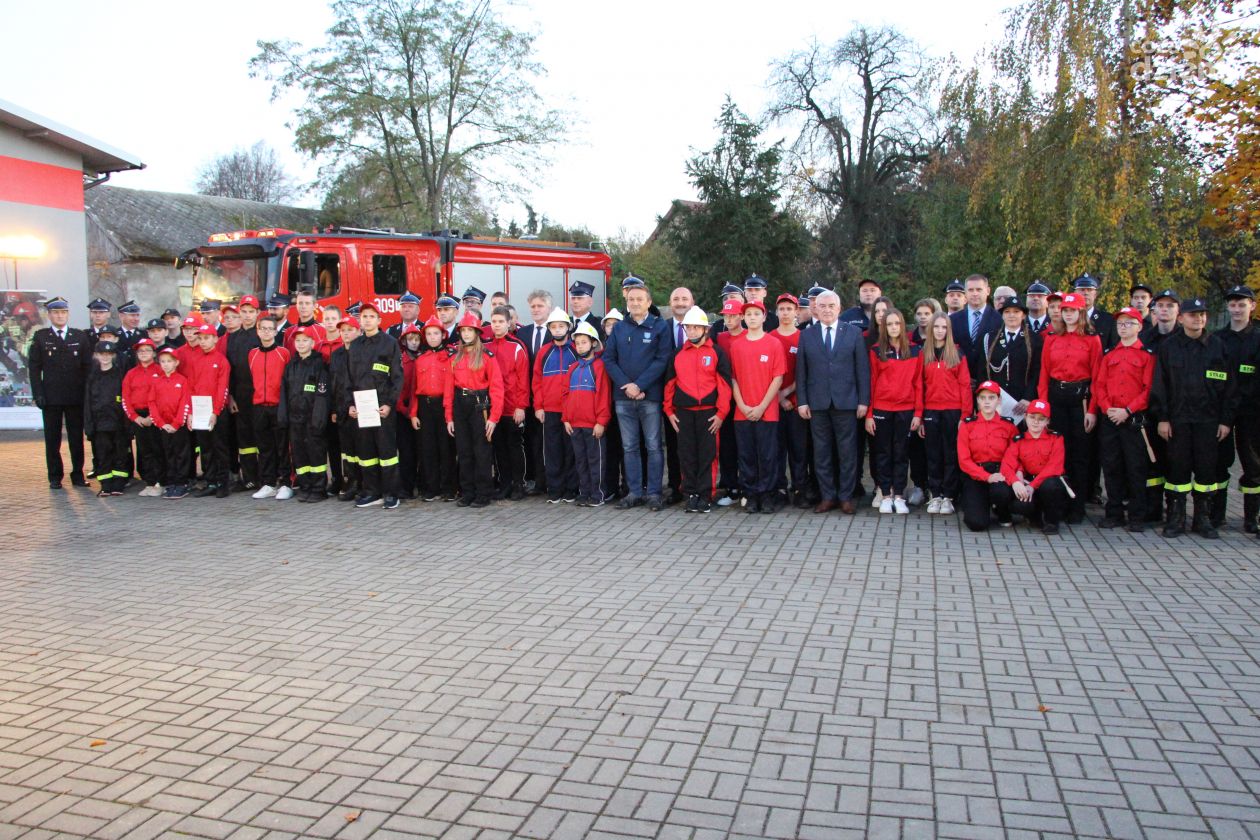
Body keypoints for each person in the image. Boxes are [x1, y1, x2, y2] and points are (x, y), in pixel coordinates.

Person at [1150, 297, 1234, 539]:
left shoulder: (1218, 346)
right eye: (1193, 314)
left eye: (1202, 314)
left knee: (1206, 471)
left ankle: (1202, 519)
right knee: (1177, 470)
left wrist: (1226, 420)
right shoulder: (1169, 347)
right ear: (1181, 318)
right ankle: (1176, 518)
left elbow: (1230, 387)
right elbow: (1160, 385)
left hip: (1209, 421)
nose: (1198, 318)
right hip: (1178, 420)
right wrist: (1163, 418)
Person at [796, 290, 869, 514]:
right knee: (821, 453)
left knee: (847, 453)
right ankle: (827, 496)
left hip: (846, 402)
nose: (827, 310)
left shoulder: (854, 333)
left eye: (831, 306)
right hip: (817, 404)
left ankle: (846, 497)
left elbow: (862, 370)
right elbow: (801, 371)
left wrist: (863, 401)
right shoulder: (807, 335)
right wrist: (802, 401)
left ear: (839, 309)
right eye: (822, 306)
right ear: (815, 309)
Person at [603, 276, 671, 511]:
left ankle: (654, 493)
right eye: (631, 299)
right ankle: (634, 492)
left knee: (653, 446)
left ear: (648, 302)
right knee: (629, 447)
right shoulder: (619, 328)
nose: (634, 303)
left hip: (649, 397)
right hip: (623, 398)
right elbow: (609, 359)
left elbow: (662, 360)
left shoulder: (660, 326)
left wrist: (640, 386)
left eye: (639, 299)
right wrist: (627, 385)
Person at [1089, 307, 1155, 531]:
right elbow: (1099, 385)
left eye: (1129, 323)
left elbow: (1148, 389)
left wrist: (1127, 410)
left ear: (1140, 327)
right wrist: (1108, 409)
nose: (1123, 328)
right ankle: (1114, 513)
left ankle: (1137, 516)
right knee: (1111, 467)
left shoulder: (1146, 355)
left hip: (1133, 419)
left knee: (1135, 468)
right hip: (1110, 418)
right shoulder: (1109, 354)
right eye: (1120, 324)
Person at [1038, 292, 1101, 523]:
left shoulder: (1092, 340)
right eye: (1065, 310)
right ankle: (1059, 504)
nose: (1068, 314)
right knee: (1058, 453)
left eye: (1072, 310)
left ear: (1081, 312)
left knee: (1079, 455)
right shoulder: (1052, 338)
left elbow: (1097, 378)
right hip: (1057, 397)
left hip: (1080, 399)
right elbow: (1044, 374)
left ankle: (1077, 507)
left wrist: (1092, 410)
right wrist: (1044, 405)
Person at [665, 306, 731, 513]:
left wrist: (721, 414)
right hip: (683, 413)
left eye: (696, 327)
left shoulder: (717, 352)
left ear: (705, 329)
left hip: (709, 414)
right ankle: (691, 494)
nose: (692, 331)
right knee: (686, 455)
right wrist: (669, 412)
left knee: (708, 456)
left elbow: (725, 386)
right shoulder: (677, 354)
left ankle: (706, 495)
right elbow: (669, 384)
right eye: (688, 327)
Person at [730, 300, 786, 513]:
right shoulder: (737, 346)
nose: (752, 317)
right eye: (748, 314)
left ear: (764, 317)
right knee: (747, 456)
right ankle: (751, 494)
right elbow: (733, 378)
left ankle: (767, 495)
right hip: (742, 412)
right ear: (743, 318)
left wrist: (762, 406)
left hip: (767, 412)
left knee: (768, 455)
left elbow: (778, 378)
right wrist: (742, 405)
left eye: (756, 313)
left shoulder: (774, 344)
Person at [28, 296, 91, 489]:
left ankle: (78, 474)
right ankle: (55, 476)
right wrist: (38, 393)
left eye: (63, 312)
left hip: (75, 396)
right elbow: (34, 369)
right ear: (49, 315)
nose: (60, 316)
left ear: (68, 314)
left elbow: (87, 368)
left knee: (76, 438)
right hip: (51, 397)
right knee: (52, 439)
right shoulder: (41, 337)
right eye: (56, 312)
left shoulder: (79, 336)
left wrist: (87, 395)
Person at [346, 302, 404, 509]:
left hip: (382, 408)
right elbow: (349, 378)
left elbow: (397, 377)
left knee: (387, 453)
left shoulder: (390, 343)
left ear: (379, 320)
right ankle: (372, 492)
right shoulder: (355, 345)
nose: (368, 320)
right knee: (366, 452)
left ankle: (391, 494)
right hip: (362, 408)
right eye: (364, 317)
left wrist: (389, 404)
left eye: (372, 316)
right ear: (360, 321)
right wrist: (350, 404)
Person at [866, 309, 922, 514]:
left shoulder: (915, 350)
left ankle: (899, 495)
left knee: (901, 453)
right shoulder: (876, 351)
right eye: (889, 324)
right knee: (883, 453)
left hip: (906, 409)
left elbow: (918, 383)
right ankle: (885, 495)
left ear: (902, 325)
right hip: (881, 408)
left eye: (897, 323)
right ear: (884, 327)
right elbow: (871, 383)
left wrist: (918, 413)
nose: (893, 327)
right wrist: (869, 414)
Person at [445, 312, 504, 508]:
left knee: (481, 452)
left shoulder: (487, 357)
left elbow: (497, 388)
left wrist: (493, 418)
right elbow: (448, 388)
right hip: (460, 406)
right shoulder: (454, 356)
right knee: (464, 451)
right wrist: (449, 417)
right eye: (463, 330)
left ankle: (483, 493)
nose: (466, 334)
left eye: (470, 330)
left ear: (477, 332)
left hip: (480, 406)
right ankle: (467, 492)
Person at [1215, 285, 1260, 533]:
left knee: (1253, 464)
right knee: (1219, 462)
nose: (1236, 309)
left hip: (1250, 411)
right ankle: (1217, 514)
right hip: (1221, 411)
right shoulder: (1218, 339)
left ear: (1252, 306)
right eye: (1232, 305)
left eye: (1242, 304)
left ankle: (1252, 517)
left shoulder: (1258, 338)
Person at [921, 313, 971, 514]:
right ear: (931, 329)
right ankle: (935, 494)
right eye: (936, 327)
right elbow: (919, 386)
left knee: (950, 454)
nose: (940, 331)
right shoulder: (924, 353)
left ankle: (948, 496)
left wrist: (965, 415)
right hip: (931, 410)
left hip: (953, 410)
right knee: (933, 454)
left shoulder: (957, 354)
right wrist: (920, 414)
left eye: (944, 327)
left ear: (949, 330)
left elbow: (965, 385)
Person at [998, 399, 1069, 534]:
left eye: (1041, 419)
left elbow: (1054, 467)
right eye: (1032, 417)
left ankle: (1052, 522)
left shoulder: (1056, 438)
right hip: (1028, 481)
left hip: (1048, 481)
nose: (1036, 422)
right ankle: (1034, 515)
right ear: (1025, 417)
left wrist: (1032, 486)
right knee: (1019, 505)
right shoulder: (1018, 440)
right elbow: (1006, 465)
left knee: (1050, 486)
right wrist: (1015, 482)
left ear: (1047, 421)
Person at [562, 321, 612, 506]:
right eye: (577, 343)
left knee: (595, 460)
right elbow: (565, 394)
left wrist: (601, 422)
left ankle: (598, 494)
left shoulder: (599, 367)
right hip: (575, 424)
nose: (580, 346)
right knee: (580, 460)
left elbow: (604, 396)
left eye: (584, 342)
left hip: (593, 425)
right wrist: (566, 419)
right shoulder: (573, 368)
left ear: (593, 343)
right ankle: (584, 493)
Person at [533, 306, 580, 503]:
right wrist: (538, 406)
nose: (558, 330)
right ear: (549, 329)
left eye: (561, 326)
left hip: (572, 411)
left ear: (568, 328)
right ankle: (555, 488)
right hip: (550, 409)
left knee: (571, 450)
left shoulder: (576, 350)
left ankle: (571, 488)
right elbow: (536, 381)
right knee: (552, 450)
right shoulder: (544, 352)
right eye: (554, 326)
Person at [957, 381, 1018, 530]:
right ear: (977, 400)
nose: (987, 402)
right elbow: (964, 460)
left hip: (1000, 474)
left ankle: (1002, 511)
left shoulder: (1009, 426)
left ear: (999, 400)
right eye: (982, 398)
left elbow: (1015, 456)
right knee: (976, 524)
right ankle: (982, 506)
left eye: (991, 398)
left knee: (1001, 493)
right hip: (976, 476)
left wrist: (1005, 475)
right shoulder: (967, 425)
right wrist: (986, 477)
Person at [279, 326, 330, 502]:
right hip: (295, 419)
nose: (301, 344)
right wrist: (283, 416)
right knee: (299, 455)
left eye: (305, 340)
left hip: (312, 419)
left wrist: (318, 419)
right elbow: (284, 392)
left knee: (315, 454)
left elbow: (322, 395)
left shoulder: (319, 364)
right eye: (298, 340)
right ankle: (305, 486)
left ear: (312, 343)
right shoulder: (291, 366)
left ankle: (318, 489)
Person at [248, 315, 294, 501]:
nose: (266, 332)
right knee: (264, 447)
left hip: (279, 406)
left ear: (276, 332)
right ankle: (268, 483)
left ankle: (286, 483)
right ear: (258, 331)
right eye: (263, 328)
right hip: (259, 406)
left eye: (270, 329)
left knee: (282, 447)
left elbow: (289, 381)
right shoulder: (252, 354)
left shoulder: (284, 353)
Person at [488, 306, 529, 500]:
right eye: (494, 321)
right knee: (499, 448)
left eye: (501, 322)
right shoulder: (486, 346)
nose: (497, 325)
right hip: (494, 409)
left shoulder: (517, 346)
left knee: (514, 447)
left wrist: (521, 406)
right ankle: (504, 484)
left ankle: (519, 484)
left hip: (513, 407)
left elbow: (523, 379)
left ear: (508, 323)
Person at [772, 293, 809, 508]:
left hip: (796, 404)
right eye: (782, 309)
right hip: (773, 404)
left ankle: (800, 489)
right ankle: (779, 489)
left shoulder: (804, 338)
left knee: (799, 450)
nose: (785, 313)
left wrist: (787, 394)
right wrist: (778, 397)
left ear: (796, 312)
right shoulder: (769, 337)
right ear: (776, 312)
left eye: (789, 309)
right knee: (777, 450)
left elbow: (805, 372)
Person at [187, 325, 232, 498]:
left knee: (219, 447)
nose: (203, 342)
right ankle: (210, 481)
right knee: (205, 447)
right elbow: (191, 386)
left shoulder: (221, 361)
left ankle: (223, 483)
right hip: (200, 409)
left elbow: (222, 388)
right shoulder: (195, 360)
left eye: (206, 338)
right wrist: (191, 411)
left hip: (216, 411)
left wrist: (216, 411)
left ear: (215, 339)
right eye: (200, 338)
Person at [979, 296, 1042, 415]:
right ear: (1002, 315)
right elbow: (982, 371)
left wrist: (1028, 397)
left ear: (1023, 315)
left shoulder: (1034, 340)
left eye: (1016, 312)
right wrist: (986, 397)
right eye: (1007, 312)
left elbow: (1037, 372)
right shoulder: (989, 338)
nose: (1011, 315)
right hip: (995, 400)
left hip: (1022, 403)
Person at [517, 290, 553, 495]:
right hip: (528, 397)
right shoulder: (523, 333)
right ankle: (537, 481)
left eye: (540, 306)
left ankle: (552, 480)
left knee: (550, 441)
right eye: (533, 306)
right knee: (533, 440)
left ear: (549, 308)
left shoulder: (556, 331)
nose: (536, 309)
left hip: (550, 396)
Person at [83, 340, 129, 496]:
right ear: (96, 355)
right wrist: (89, 425)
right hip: (100, 425)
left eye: (109, 354)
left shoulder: (120, 375)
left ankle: (119, 484)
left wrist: (127, 424)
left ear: (113, 356)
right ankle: (106, 485)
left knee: (120, 454)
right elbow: (88, 403)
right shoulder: (92, 377)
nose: (105, 357)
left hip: (118, 423)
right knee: (103, 455)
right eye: (102, 354)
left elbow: (126, 400)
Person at [714, 298, 746, 506]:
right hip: (725, 397)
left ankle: (747, 486)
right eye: (726, 315)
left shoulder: (749, 335)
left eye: (733, 315)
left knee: (745, 444)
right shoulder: (720, 337)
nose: (729, 319)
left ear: (741, 316)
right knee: (727, 444)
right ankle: (730, 487)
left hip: (746, 397)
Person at [123, 339, 164, 496]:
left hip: (157, 416)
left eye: (147, 350)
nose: (144, 353)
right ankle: (149, 482)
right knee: (144, 450)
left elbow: (165, 395)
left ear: (154, 353)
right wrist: (135, 417)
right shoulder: (131, 373)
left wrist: (153, 417)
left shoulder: (160, 371)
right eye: (140, 351)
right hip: (139, 417)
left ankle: (160, 482)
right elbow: (126, 397)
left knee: (158, 449)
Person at [150, 346, 192, 499]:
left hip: (178, 426)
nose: (166, 364)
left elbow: (185, 403)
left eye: (169, 361)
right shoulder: (157, 382)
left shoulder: (182, 380)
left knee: (181, 454)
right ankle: (171, 482)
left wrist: (176, 423)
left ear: (176, 362)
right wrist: (161, 423)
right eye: (163, 361)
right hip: (164, 426)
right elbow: (152, 402)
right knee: (168, 454)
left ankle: (182, 483)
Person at [330, 315, 363, 501]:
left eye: (350, 330)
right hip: (342, 409)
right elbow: (334, 383)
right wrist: (335, 409)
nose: (346, 333)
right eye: (343, 330)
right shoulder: (336, 355)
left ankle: (362, 483)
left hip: (360, 408)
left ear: (358, 331)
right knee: (347, 450)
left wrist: (356, 404)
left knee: (362, 449)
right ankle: (350, 482)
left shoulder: (363, 352)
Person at [949, 274, 1001, 382]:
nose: (975, 293)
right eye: (971, 290)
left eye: (979, 289)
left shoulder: (999, 319)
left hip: (989, 381)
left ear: (988, 291)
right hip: (959, 380)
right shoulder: (952, 320)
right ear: (965, 292)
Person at [1074, 274, 1117, 350]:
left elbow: (1113, 347)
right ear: (1075, 293)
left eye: (1089, 290)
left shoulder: (1108, 320)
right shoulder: (1068, 319)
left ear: (1095, 294)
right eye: (1082, 290)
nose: (1086, 293)